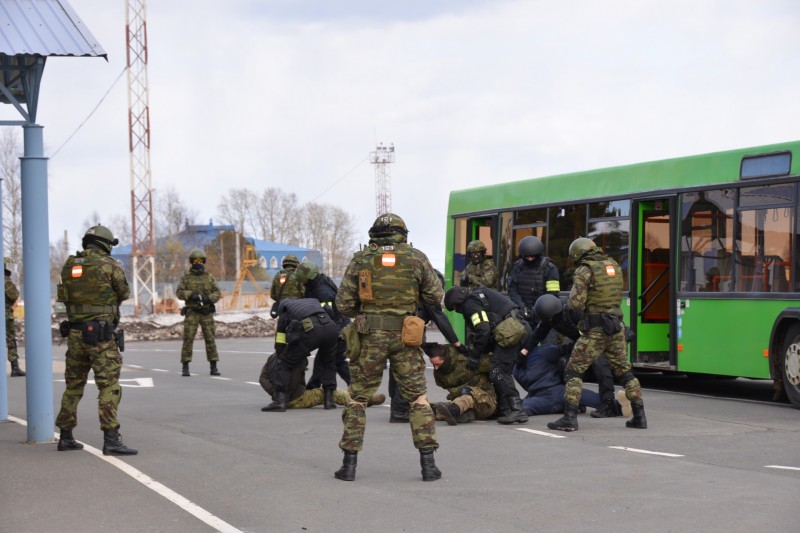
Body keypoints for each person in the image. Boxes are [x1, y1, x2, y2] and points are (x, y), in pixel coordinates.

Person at [334, 213, 443, 482]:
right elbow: (435, 295)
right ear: (403, 233)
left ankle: (349, 465)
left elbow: (343, 304)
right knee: (418, 397)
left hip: (370, 336)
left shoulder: (361, 259)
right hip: (406, 335)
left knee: (358, 398)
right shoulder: (416, 257)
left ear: (374, 234)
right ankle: (428, 466)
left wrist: (366, 309)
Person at [547, 237, 647, 432]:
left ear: (577, 254)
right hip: (616, 328)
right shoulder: (614, 266)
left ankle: (569, 418)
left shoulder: (585, 270)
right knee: (624, 372)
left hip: (595, 330)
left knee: (574, 370)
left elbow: (576, 304)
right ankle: (640, 416)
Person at [55, 225, 137, 455]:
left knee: (73, 387)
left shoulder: (69, 266)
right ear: (106, 244)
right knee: (109, 386)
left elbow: (64, 297)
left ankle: (66, 436)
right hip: (100, 337)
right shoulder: (109, 265)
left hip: (75, 335)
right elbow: (124, 293)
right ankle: (111, 439)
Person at [520, 293, 627, 418]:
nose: (550, 322)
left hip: (600, 341)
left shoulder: (574, 311)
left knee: (601, 367)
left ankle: (608, 404)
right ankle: (575, 403)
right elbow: (537, 335)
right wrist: (524, 351)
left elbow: (600, 322)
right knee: (565, 365)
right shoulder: (551, 317)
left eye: (551, 319)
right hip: (581, 344)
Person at [444, 285, 529, 425]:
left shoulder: (470, 304)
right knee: (499, 370)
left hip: (512, 332)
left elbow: (483, 329)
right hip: (516, 329)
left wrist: (474, 356)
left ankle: (517, 409)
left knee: (498, 371)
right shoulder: (477, 295)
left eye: (455, 308)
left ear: (456, 303)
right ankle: (504, 409)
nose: (458, 311)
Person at [388, 269, 464, 424]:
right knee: (408, 370)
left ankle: (397, 407)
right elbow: (440, 318)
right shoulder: (426, 295)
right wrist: (456, 342)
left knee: (397, 368)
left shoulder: (408, 293)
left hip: (395, 333)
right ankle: (399, 410)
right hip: (408, 336)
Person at [261, 298, 340, 411]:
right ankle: (329, 401)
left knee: (284, 363)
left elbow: (280, 340)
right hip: (331, 329)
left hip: (312, 331)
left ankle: (280, 401)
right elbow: (329, 310)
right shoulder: (312, 302)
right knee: (328, 363)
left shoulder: (285, 311)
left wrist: (282, 356)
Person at [514, 342, 629, 416]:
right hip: (557, 390)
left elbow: (527, 386)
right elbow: (565, 350)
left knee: (521, 406)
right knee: (584, 396)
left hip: (539, 396)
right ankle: (618, 406)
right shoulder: (542, 351)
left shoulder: (516, 369)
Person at [293, 261, 351, 390]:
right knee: (332, 361)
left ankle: (313, 387)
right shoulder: (316, 285)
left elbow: (331, 314)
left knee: (333, 361)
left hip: (338, 329)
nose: (302, 284)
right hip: (337, 327)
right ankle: (356, 389)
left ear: (308, 278)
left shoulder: (323, 291)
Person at [259, 351, 384, 410]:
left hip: (280, 397)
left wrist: (275, 394)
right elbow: (292, 382)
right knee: (329, 393)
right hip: (294, 398)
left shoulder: (274, 355)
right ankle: (364, 401)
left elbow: (262, 378)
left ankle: (360, 399)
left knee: (318, 389)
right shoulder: (297, 359)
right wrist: (284, 397)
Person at [423, 342, 496, 424]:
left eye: (437, 364)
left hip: (486, 402)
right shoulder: (440, 373)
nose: (436, 368)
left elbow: (497, 368)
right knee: (432, 408)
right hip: (462, 402)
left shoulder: (467, 359)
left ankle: (453, 411)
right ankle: (460, 413)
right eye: (433, 365)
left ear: (445, 358)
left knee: (467, 393)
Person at [176, 248, 222, 377]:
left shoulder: (209, 277)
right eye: (195, 260)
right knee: (188, 339)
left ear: (203, 262)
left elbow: (218, 293)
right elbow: (179, 292)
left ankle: (214, 366)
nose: (198, 263)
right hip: (192, 312)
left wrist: (209, 298)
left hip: (206, 312)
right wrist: (190, 295)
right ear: (191, 262)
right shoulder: (186, 278)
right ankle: (185, 366)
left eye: (200, 260)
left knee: (210, 339)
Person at [507, 236, 560, 327]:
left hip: (545, 314)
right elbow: (512, 290)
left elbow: (553, 294)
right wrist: (522, 306)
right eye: (527, 257)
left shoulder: (549, 268)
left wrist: (538, 309)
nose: (530, 259)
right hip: (523, 314)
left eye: (532, 256)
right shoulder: (517, 267)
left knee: (548, 341)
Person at [5, 258, 24, 377]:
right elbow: (14, 295)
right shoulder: (5, 280)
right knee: (11, 340)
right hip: (5, 315)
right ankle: (15, 367)